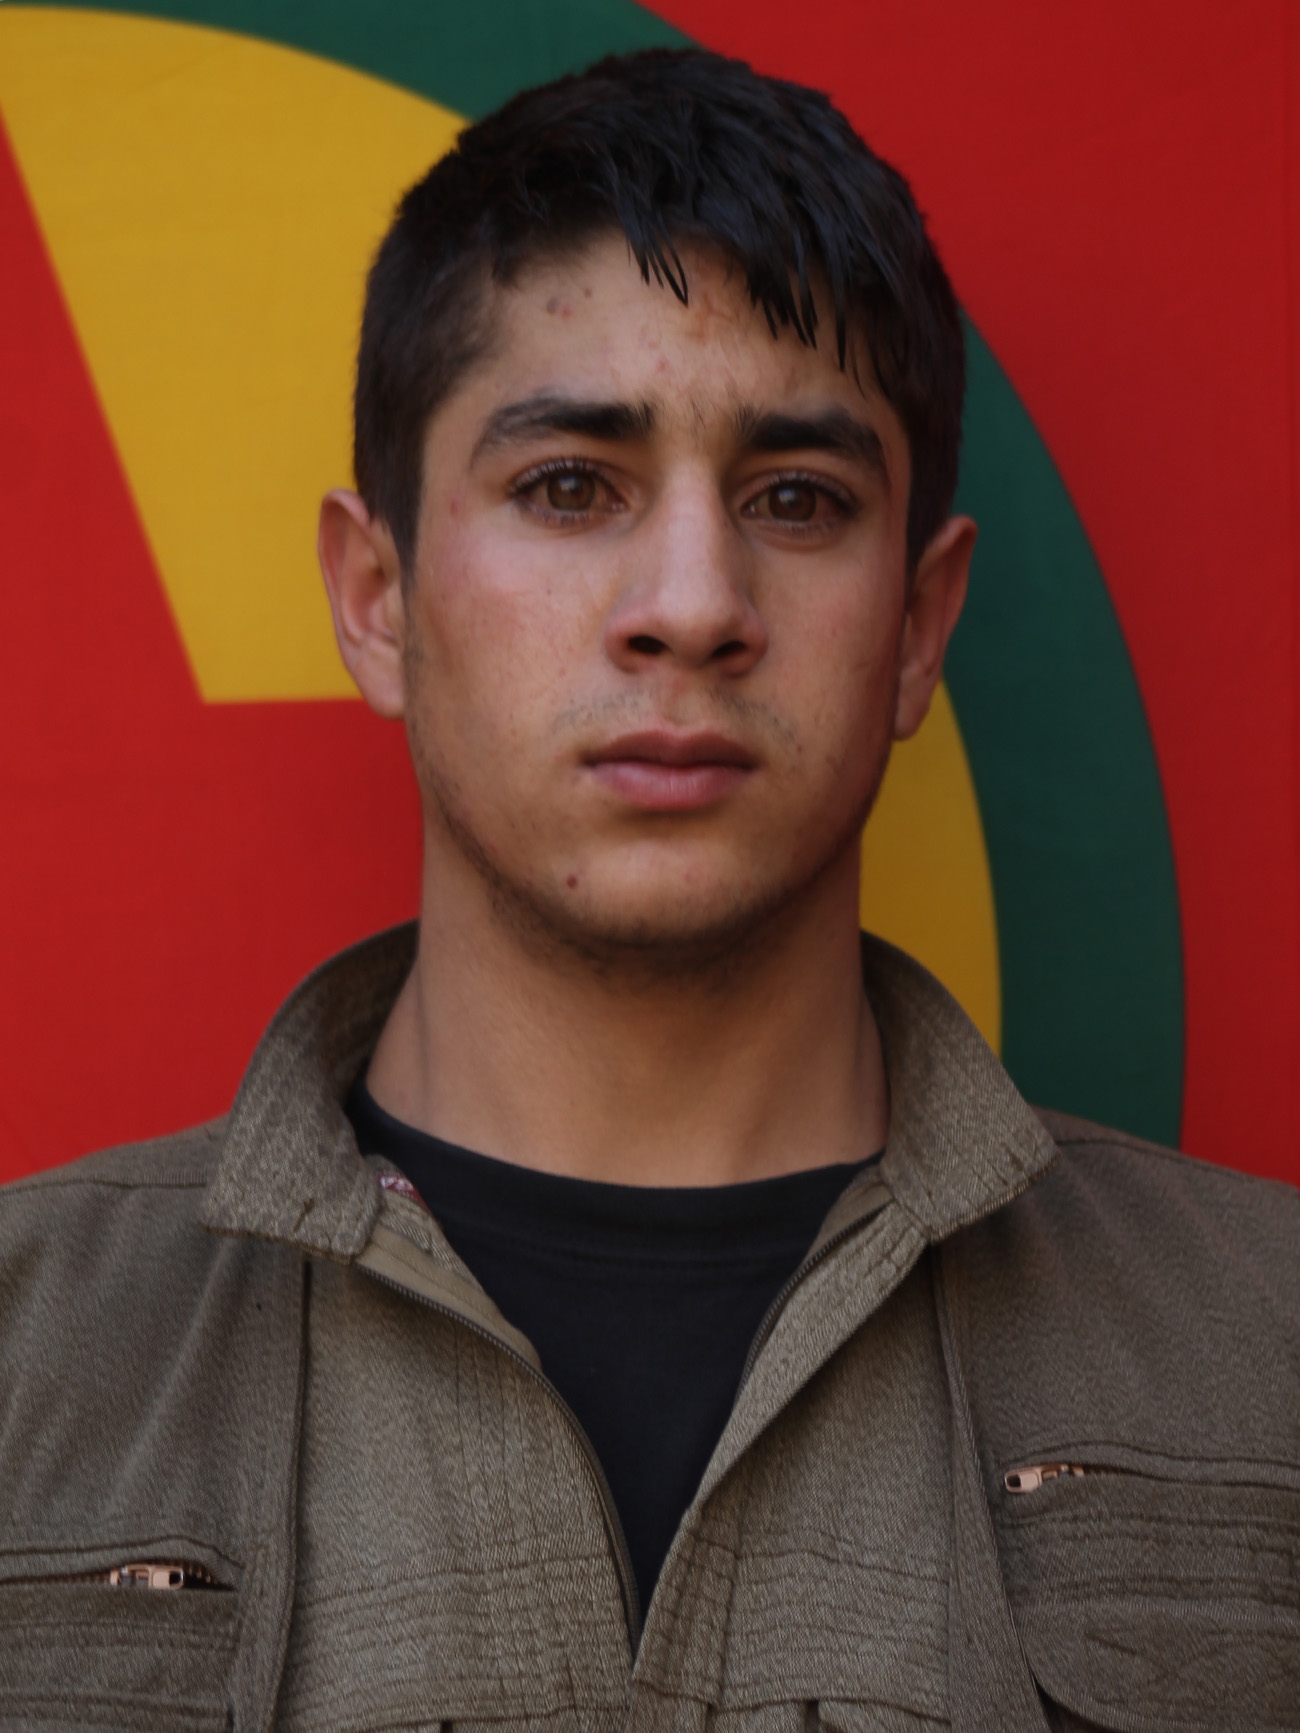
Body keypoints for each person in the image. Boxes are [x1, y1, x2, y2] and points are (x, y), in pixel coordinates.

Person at [1, 46, 1296, 1733]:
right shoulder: (27, 1356)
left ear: (917, 626)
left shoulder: (1267, 1354)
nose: (691, 603)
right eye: (569, 487)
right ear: (377, 596)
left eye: (797, 499)